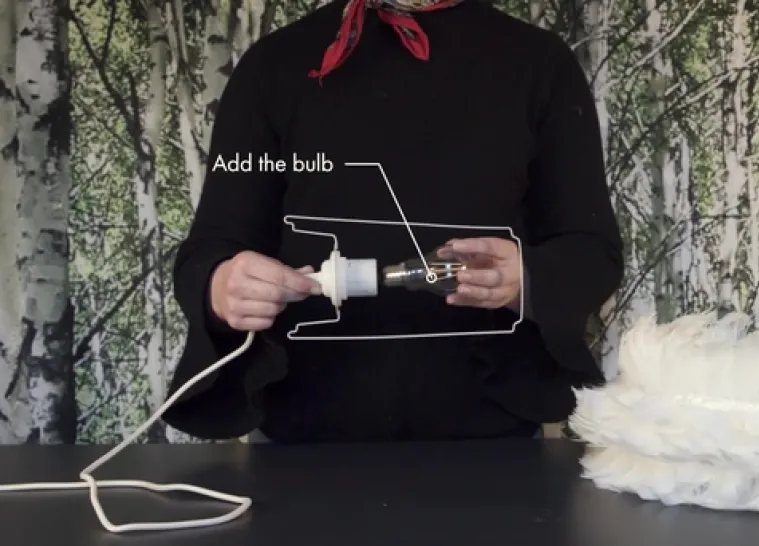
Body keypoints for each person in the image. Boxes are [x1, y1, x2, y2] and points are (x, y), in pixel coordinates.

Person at [161, 0, 623, 443]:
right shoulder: (273, 68)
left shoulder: (538, 64)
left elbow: (591, 250)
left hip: (494, 439)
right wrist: (222, 286)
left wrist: (525, 279)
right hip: (298, 439)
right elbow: (210, 250)